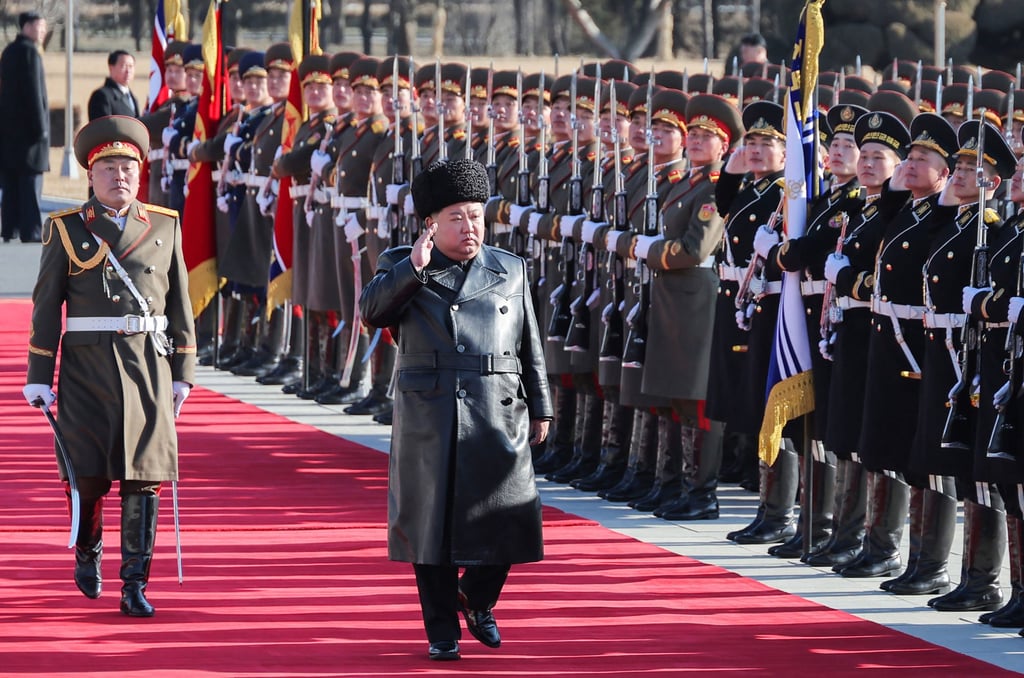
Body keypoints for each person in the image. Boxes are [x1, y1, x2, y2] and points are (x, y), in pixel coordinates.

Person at [361, 158, 552, 660]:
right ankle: (441, 630)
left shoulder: (509, 267)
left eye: (476, 216)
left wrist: (543, 407)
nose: (470, 227)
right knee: (433, 527)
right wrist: (414, 268)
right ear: (430, 223)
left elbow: (529, 342)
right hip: (433, 412)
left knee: (511, 515)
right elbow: (372, 312)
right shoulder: (402, 264)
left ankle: (478, 597)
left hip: (499, 407)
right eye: (457, 217)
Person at [22, 115, 196, 617]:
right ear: (90, 176)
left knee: (146, 475)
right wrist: (39, 377)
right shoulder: (67, 228)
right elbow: (45, 304)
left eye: (128, 167)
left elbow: (181, 304)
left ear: (140, 174)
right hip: (86, 368)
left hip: (147, 367)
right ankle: (88, 547)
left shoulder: (164, 224)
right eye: (108, 167)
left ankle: (135, 582)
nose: (119, 176)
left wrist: (184, 369)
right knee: (90, 474)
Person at [0, 11, 49, 243]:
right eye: (39, 27)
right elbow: (34, 94)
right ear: (26, 27)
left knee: (11, 182)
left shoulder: (8, 51)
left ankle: (9, 228)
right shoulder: (30, 53)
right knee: (30, 182)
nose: (43, 32)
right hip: (29, 133)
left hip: (9, 131)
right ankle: (31, 230)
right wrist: (42, 130)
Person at [88, 50, 140, 120]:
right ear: (111, 68)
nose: (128, 71)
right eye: (124, 66)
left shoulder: (132, 97)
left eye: (131, 66)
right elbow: (101, 127)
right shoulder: (101, 96)